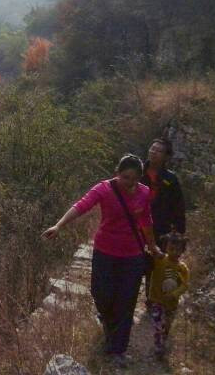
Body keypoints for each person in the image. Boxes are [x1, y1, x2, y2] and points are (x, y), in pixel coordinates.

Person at [42, 154, 163, 367]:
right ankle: (108, 321)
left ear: (140, 178)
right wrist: (59, 225)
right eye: (125, 177)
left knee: (127, 301)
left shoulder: (144, 193)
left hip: (132, 255)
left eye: (134, 179)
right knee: (101, 293)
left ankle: (117, 349)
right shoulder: (104, 189)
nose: (129, 183)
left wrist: (152, 247)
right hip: (105, 252)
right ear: (117, 173)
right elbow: (81, 205)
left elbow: (146, 221)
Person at [142, 138, 186, 306]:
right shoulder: (139, 171)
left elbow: (178, 207)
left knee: (155, 265)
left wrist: (179, 233)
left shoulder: (171, 179)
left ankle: (151, 298)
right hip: (135, 226)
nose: (153, 152)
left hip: (160, 228)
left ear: (166, 157)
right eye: (152, 148)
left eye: (158, 150)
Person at [147, 231, 190, 360]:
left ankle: (163, 340)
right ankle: (158, 347)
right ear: (166, 247)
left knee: (167, 325)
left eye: (178, 250)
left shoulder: (182, 268)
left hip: (172, 303)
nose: (174, 252)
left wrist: (174, 294)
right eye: (171, 249)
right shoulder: (159, 260)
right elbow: (149, 253)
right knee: (158, 323)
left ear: (183, 251)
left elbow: (185, 285)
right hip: (157, 300)